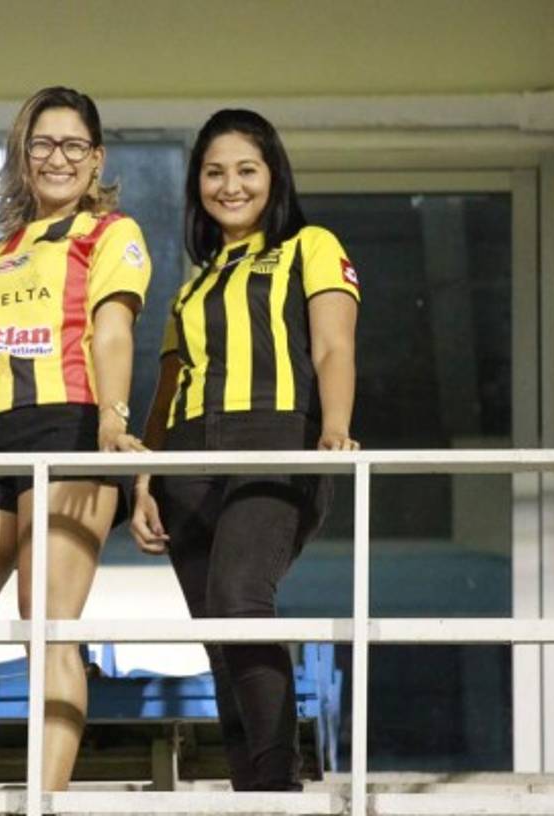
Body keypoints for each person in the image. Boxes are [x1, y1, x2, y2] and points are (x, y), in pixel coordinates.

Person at [0, 86, 151, 792]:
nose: (58, 158)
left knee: (45, 623)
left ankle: (44, 805)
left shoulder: (112, 233)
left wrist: (113, 416)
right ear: (22, 156)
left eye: (74, 145)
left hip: (70, 428)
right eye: (43, 144)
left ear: (96, 158)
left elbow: (112, 329)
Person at [130, 109, 359, 792]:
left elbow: (333, 345)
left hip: (276, 437)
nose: (230, 185)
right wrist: (145, 476)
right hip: (188, 461)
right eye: (214, 172)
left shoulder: (310, 244)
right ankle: (249, 792)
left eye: (246, 169)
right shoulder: (192, 284)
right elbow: (167, 389)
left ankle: (277, 789)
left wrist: (335, 429)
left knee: (239, 600)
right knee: (219, 638)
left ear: (273, 175)